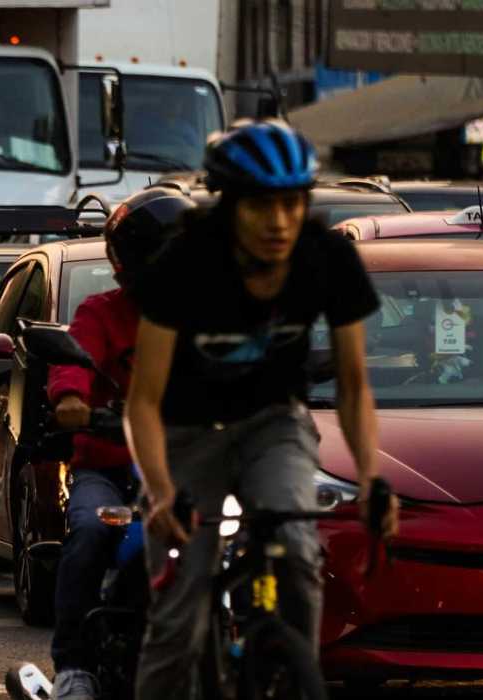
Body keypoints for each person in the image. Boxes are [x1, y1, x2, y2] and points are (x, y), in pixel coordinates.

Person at [124, 121, 400, 699]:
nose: (279, 223)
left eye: (292, 204)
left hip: (275, 423)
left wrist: (373, 479)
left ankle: (289, 672)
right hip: (184, 432)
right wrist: (160, 490)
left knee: (298, 556)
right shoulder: (184, 262)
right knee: (179, 615)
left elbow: (353, 385)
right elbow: (142, 401)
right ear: (229, 207)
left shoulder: (326, 257)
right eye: (261, 206)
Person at [45, 188, 195, 700]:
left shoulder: (207, 315)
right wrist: (71, 400)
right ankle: (73, 667)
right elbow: (71, 363)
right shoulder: (100, 313)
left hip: (188, 469)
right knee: (88, 532)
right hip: (110, 469)